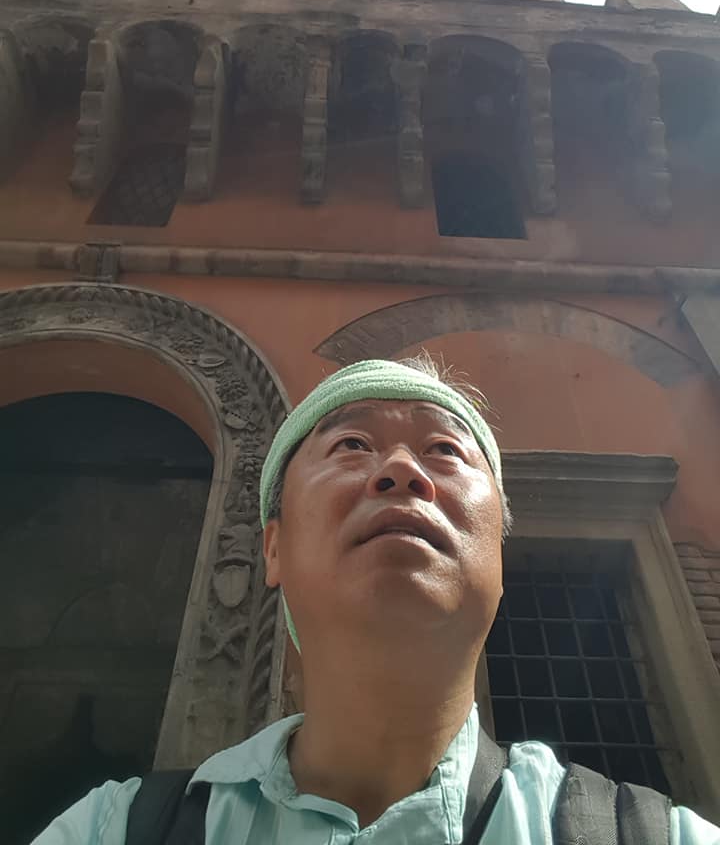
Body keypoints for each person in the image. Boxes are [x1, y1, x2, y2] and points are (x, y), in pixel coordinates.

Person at [33, 356, 719, 844]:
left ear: (498, 556)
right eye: (352, 444)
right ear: (272, 548)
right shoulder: (110, 830)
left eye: (445, 450)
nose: (401, 471)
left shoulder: (655, 835)